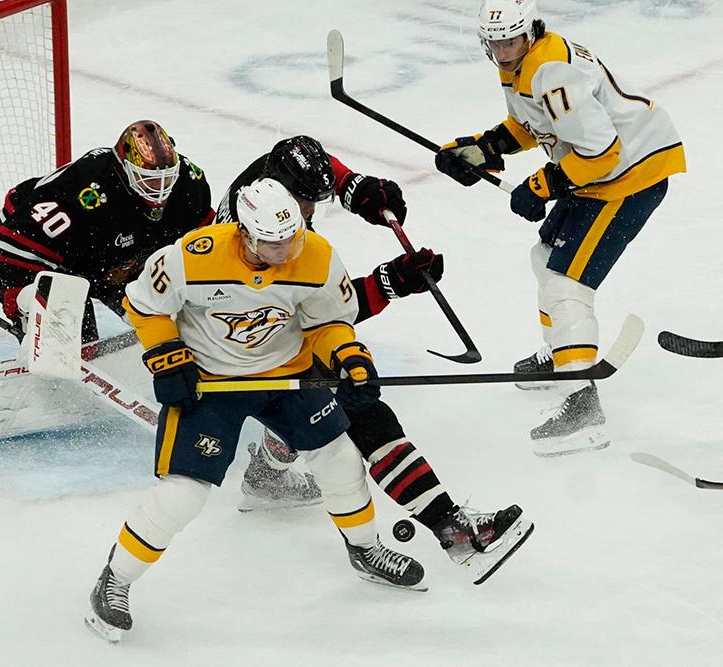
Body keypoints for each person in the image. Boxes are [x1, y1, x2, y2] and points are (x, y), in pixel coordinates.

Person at [85, 178, 426, 642]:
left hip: (287, 375)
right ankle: (115, 579)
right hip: (212, 382)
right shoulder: (193, 255)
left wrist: (348, 354)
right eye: (272, 242)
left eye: (292, 238)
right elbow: (143, 304)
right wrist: (167, 355)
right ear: (244, 233)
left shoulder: (317, 255)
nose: (286, 251)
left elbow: (328, 321)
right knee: (183, 493)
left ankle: (366, 550)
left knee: (341, 459)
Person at [216, 135, 533, 583]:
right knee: (359, 413)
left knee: (334, 408)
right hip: (252, 342)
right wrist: (391, 282)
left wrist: (359, 189)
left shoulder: (269, 188)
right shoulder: (264, 251)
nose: (311, 212)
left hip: (265, 326)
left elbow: (325, 168)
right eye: (306, 203)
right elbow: (328, 316)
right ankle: (451, 530)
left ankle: (267, 475)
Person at [436, 0, 686, 456]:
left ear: (531, 31)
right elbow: (533, 124)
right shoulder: (523, 63)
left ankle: (583, 404)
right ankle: (561, 354)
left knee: (565, 281)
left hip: (628, 177)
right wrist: (484, 147)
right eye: (495, 44)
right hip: (601, 174)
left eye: (511, 42)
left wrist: (542, 184)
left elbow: (602, 152)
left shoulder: (552, 72)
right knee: (546, 257)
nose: (503, 52)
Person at [0, 120, 214, 453]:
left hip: (120, 259)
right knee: (62, 349)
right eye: (148, 179)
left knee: (174, 320)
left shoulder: (189, 182)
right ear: (124, 168)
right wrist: (31, 306)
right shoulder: (82, 192)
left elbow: (202, 246)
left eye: (166, 179)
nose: (159, 189)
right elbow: (13, 245)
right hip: (39, 258)